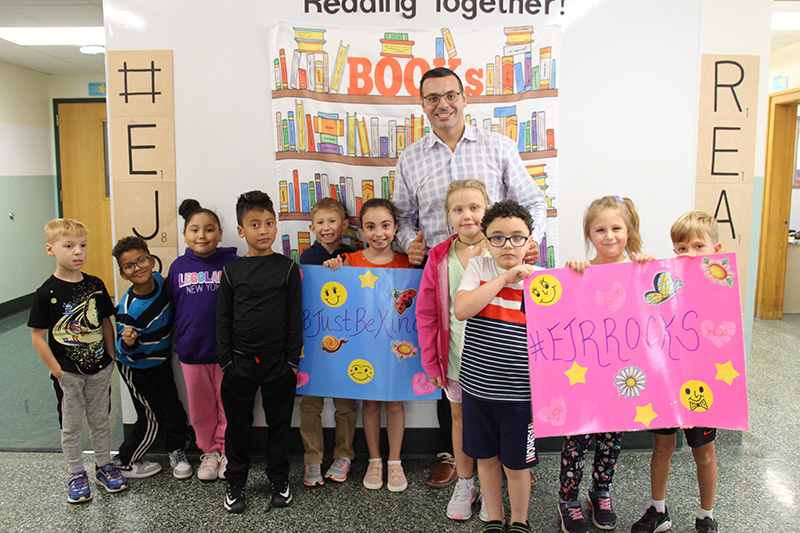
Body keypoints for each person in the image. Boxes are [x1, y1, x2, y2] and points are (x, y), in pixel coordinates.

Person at [393, 67, 548, 485]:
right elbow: (404, 218)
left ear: (465, 98)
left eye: (450, 95)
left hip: (498, 273)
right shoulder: (410, 157)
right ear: (422, 104)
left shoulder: (498, 147)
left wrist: (529, 242)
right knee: (454, 359)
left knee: (505, 362)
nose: (442, 104)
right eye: (432, 98)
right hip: (442, 274)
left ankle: (513, 459)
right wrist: (411, 242)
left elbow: (532, 201)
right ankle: (455, 457)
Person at [558, 195, 654, 533]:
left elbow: (657, 310)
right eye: (600, 229)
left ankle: (601, 491)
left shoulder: (640, 270)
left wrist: (649, 269)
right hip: (584, 372)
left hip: (624, 374)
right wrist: (572, 276)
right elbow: (567, 314)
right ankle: (567, 498)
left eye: (617, 228)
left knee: (612, 437)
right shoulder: (580, 272)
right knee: (577, 438)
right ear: (589, 234)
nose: (609, 236)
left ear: (629, 231)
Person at [630, 211, 722, 533]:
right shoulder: (667, 282)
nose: (690, 254)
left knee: (704, 454)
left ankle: (706, 514)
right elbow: (645, 304)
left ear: (716, 249)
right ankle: (658, 511)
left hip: (701, 388)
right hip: (666, 383)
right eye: (681, 248)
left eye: (698, 246)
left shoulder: (722, 287)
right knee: (661, 448)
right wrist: (645, 267)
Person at [453, 200, 540, 533]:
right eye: (498, 237)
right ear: (486, 241)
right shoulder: (479, 269)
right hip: (478, 391)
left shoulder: (542, 281)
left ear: (530, 241)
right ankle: (493, 517)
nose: (508, 245)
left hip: (520, 395)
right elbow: (462, 309)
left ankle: (519, 520)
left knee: (517, 465)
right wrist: (504, 278)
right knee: (486, 460)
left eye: (517, 238)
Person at [28, 218, 128, 503]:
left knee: (100, 420)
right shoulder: (46, 293)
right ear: (51, 249)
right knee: (71, 425)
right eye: (69, 246)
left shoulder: (95, 285)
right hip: (68, 373)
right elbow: (37, 336)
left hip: (99, 369)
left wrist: (111, 355)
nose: (78, 252)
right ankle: (75, 472)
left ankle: (103, 465)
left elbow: (106, 323)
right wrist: (57, 370)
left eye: (82, 245)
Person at [217, 190, 301, 513]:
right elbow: (222, 319)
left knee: (279, 425)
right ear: (241, 231)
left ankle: (279, 478)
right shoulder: (231, 272)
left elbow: (295, 319)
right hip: (239, 364)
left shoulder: (287, 269)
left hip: (279, 364)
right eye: (254, 224)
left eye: (269, 223)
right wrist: (227, 362)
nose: (263, 230)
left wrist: (291, 361)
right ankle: (235, 480)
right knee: (237, 428)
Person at [324, 198, 411, 492]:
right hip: (364, 346)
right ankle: (375, 460)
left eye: (386, 226)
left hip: (396, 348)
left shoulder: (406, 263)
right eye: (370, 226)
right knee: (371, 403)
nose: (379, 233)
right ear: (360, 230)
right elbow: (335, 297)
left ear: (396, 228)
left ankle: (395, 461)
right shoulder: (351, 262)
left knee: (395, 403)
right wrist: (333, 267)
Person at [417, 179, 492, 521]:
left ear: (487, 210)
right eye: (458, 209)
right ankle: (466, 482)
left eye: (474, 207)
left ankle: (493, 487)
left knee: (493, 420)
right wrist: (431, 362)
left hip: (498, 359)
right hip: (457, 357)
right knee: (460, 420)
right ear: (448, 216)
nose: (467, 215)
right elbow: (428, 313)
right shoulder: (439, 257)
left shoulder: (502, 249)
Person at [166, 199, 238, 481]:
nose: (202, 236)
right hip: (192, 353)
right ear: (185, 235)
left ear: (220, 233)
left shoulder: (233, 264)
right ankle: (209, 451)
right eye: (194, 230)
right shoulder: (178, 267)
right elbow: (173, 305)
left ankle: (227, 449)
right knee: (200, 408)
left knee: (229, 405)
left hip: (227, 352)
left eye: (209, 230)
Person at [112, 236, 193, 481]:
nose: (138, 268)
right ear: (123, 274)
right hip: (135, 367)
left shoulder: (159, 281)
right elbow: (121, 348)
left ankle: (177, 450)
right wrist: (127, 341)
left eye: (142, 260)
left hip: (159, 362)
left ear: (151, 260)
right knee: (151, 418)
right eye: (129, 266)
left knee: (174, 409)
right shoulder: (129, 310)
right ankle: (125, 461)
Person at [299, 197, 358, 488]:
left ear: (345, 224)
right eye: (320, 223)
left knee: (345, 401)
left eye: (332, 221)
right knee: (310, 402)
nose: (326, 228)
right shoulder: (306, 258)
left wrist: (345, 266)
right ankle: (312, 457)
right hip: (313, 344)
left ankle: (344, 454)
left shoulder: (354, 256)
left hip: (346, 342)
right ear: (311, 227)